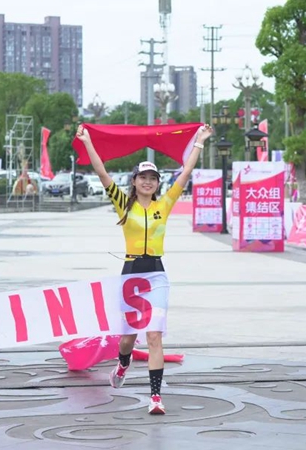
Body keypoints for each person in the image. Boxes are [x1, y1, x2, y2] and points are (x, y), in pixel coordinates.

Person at [75, 122, 213, 414]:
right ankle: (123, 363)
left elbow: (185, 172)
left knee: (154, 335)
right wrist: (88, 142)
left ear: (157, 183)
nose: (148, 182)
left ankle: (155, 397)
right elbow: (101, 173)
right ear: (135, 181)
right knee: (127, 338)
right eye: (143, 177)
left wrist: (199, 140)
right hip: (131, 275)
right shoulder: (123, 203)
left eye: (153, 178)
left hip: (157, 275)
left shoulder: (165, 204)